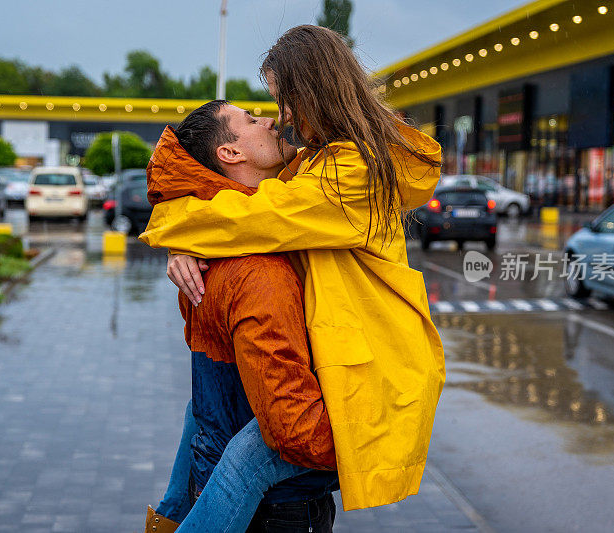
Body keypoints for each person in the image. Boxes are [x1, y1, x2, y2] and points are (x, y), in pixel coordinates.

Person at [141, 23, 445, 520]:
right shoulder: (315, 163)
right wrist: (182, 243)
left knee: (241, 460)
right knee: (208, 431)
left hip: (368, 370)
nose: (280, 118)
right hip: (341, 363)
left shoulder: (351, 174)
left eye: (282, 101)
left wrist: (176, 233)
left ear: (313, 94)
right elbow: (238, 203)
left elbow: (255, 216)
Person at [144, 101, 339, 533]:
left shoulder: (210, 249)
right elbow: (291, 428)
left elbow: (209, 396)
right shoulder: (258, 272)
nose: (269, 120)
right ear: (231, 154)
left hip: (211, 479)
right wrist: (364, 438)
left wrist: (182, 241)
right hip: (275, 510)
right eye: (251, 121)